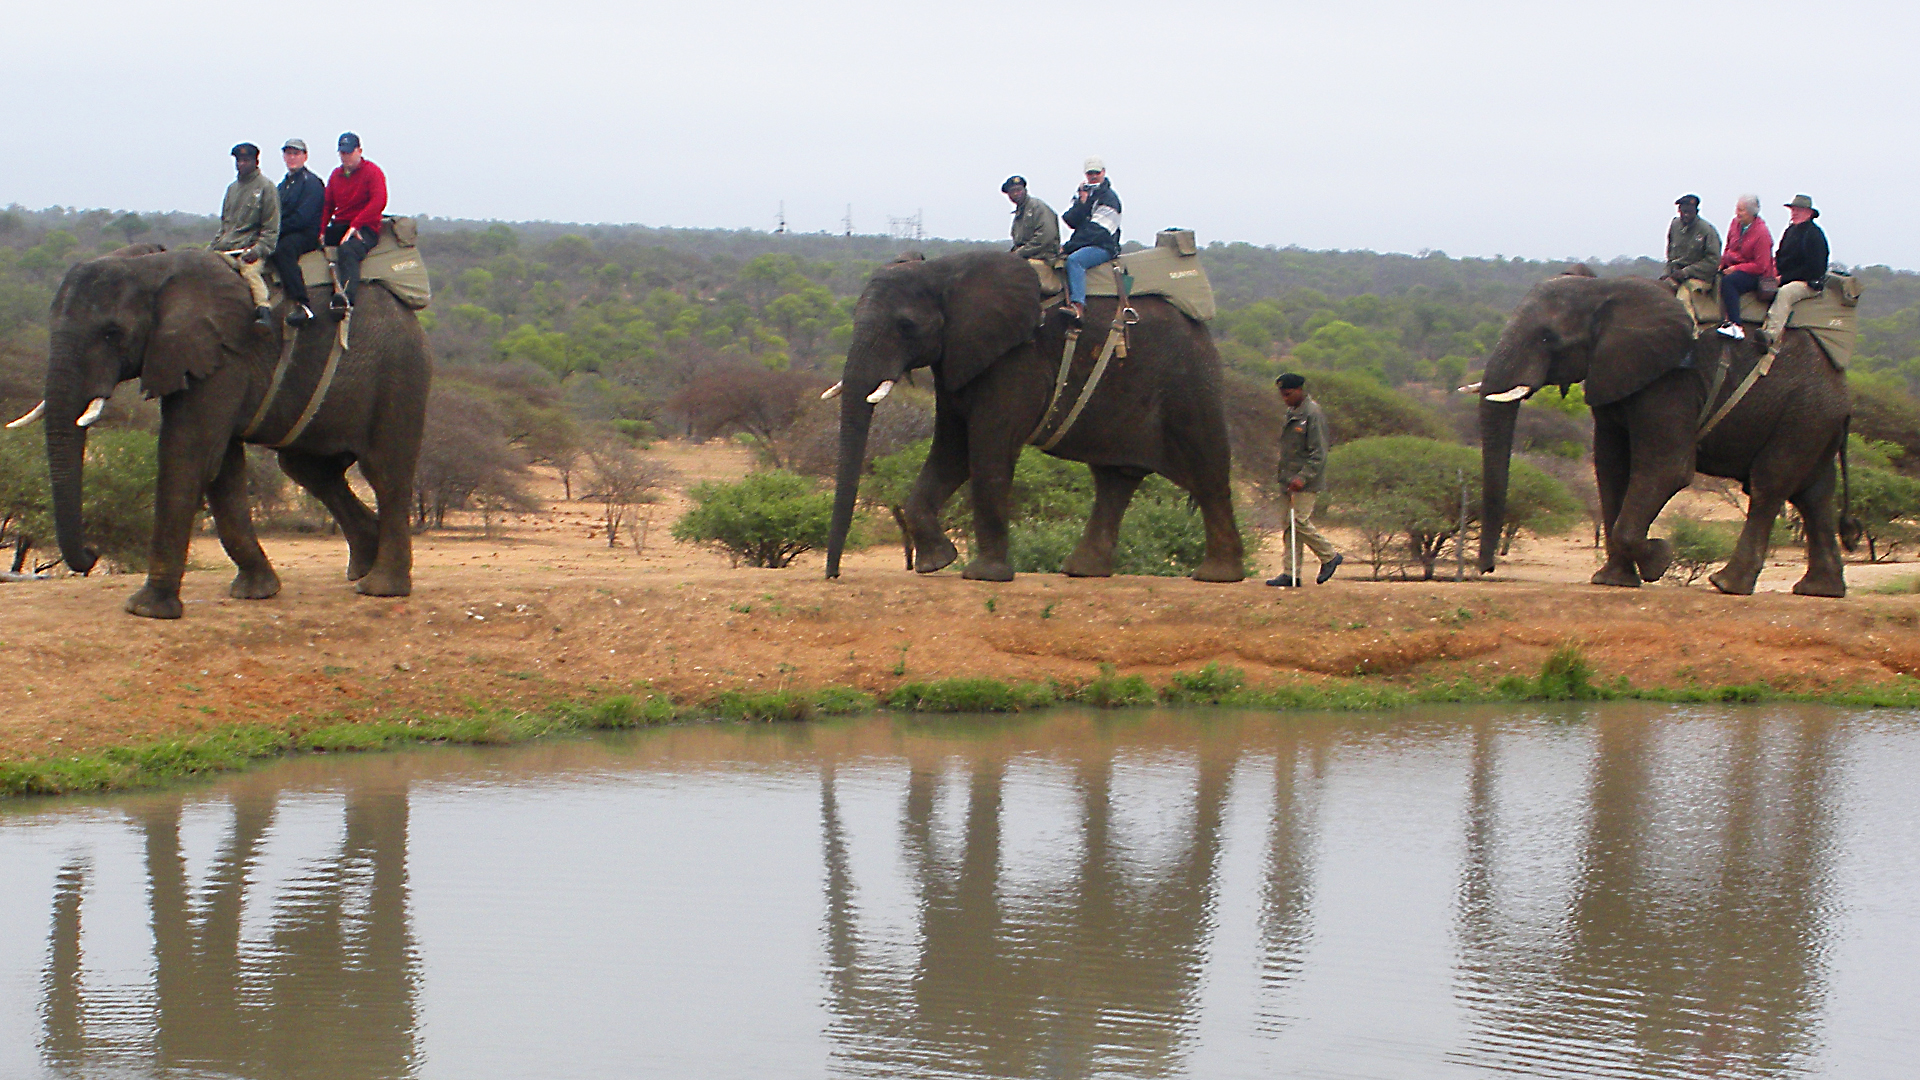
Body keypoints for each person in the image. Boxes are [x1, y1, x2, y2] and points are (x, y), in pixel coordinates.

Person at [1266, 373, 1343, 587]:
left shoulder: (1312, 414)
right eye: (1282, 395)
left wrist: (1303, 477)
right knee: (1290, 526)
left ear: (1299, 390)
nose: (1285, 399)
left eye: (1288, 394)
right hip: (1287, 480)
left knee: (1299, 521)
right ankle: (1291, 573)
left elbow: (1319, 453)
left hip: (1305, 481)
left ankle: (1329, 555)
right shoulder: (1293, 412)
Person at [210, 142, 280, 328]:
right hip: (226, 248)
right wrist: (212, 248)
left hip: (250, 250)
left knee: (250, 273)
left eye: (245, 160)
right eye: (238, 160)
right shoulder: (232, 189)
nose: (241, 164)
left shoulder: (266, 188)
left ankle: (263, 311)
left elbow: (271, 228)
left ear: (255, 162)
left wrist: (257, 251)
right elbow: (225, 225)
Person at [319, 131, 387, 313]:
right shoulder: (336, 175)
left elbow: (378, 201)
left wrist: (356, 225)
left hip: (365, 227)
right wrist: (321, 230)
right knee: (308, 242)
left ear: (359, 151)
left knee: (347, 250)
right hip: (341, 224)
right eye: (342, 153)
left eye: (349, 152)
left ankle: (346, 298)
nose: (345, 157)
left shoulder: (373, 172)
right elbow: (328, 205)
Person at [1762, 194, 1829, 354]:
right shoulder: (1790, 231)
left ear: (1809, 213)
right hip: (1785, 277)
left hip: (1808, 282)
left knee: (1785, 293)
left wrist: (1784, 279)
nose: (1794, 213)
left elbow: (1815, 268)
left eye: (1799, 210)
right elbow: (1780, 256)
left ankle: (1771, 334)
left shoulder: (1814, 235)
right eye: (1793, 209)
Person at [1060, 157, 1121, 321]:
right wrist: (1082, 202)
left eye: (1096, 172)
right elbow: (1070, 220)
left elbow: (1096, 231)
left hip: (1103, 246)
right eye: (1090, 173)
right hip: (1083, 243)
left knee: (1075, 261)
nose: (1093, 176)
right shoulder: (1085, 194)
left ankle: (1078, 306)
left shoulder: (1109, 199)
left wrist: (1068, 247)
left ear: (1103, 173)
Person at [272, 138, 325, 326]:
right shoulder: (282, 185)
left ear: (305, 156)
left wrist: (276, 230)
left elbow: (303, 218)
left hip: (306, 234)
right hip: (284, 230)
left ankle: (303, 305)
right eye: (288, 154)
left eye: (296, 154)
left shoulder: (311, 183)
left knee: (284, 250)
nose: (292, 157)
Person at [1715, 194, 1774, 339]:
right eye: (1737, 209)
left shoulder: (1762, 233)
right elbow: (1728, 246)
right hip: (1733, 264)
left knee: (1730, 282)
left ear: (1751, 212)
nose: (1737, 213)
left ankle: (1736, 326)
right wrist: (1722, 263)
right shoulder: (1735, 223)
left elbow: (1761, 265)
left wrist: (1736, 268)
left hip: (1755, 274)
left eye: (1741, 210)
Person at [1663, 194, 1722, 326]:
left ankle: (1691, 332)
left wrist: (1687, 272)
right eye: (1683, 212)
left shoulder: (1707, 230)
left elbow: (1713, 261)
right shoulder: (1674, 225)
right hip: (1676, 275)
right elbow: (1670, 253)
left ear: (1696, 211)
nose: (1686, 215)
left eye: (1689, 212)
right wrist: (1668, 272)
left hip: (1700, 278)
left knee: (1682, 298)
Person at [1003, 175, 1059, 262]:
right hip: (1027, 254)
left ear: (1025, 190)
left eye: (1018, 190)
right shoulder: (1020, 212)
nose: (1015, 194)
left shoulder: (1037, 207)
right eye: (1012, 191)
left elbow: (1046, 235)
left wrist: (1020, 253)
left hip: (1043, 254)